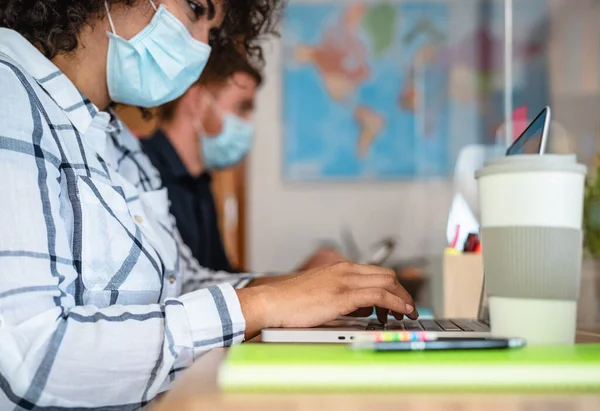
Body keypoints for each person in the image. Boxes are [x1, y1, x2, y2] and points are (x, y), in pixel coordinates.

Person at [0, 0, 417, 408]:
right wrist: (263, 304)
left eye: (213, 34)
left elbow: (182, 282)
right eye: (197, 10)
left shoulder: (116, 141)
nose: (201, 47)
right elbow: (34, 359)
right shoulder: (9, 94)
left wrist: (304, 291)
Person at [142, 46, 344, 273]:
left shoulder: (200, 183)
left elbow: (216, 278)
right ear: (198, 100)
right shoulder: (140, 172)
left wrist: (300, 279)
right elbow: (185, 291)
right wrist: (296, 283)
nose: (248, 123)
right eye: (242, 108)